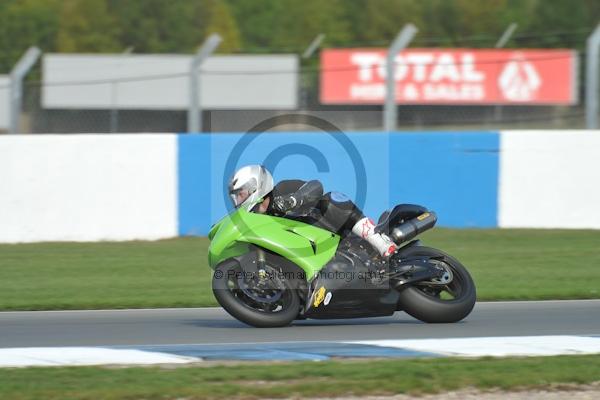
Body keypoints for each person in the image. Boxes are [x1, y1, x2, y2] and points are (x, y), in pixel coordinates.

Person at [228, 165, 398, 257]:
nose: (238, 201)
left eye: (240, 195)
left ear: (254, 187)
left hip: (338, 234)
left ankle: (378, 240)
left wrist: (293, 200)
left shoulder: (282, 189)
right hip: (316, 254)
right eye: (235, 198)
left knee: (331, 199)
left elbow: (316, 186)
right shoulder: (257, 223)